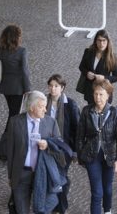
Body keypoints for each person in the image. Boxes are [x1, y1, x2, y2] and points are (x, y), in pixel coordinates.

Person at [6, 90, 61, 214]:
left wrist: (47, 144)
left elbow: (59, 144)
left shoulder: (50, 122)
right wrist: (10, 175)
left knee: (41, 209)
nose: (45, 110)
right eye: (41, 107)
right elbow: (11, 151)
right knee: (21, 210)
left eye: (45, 107)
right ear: (31, 108)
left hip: (42, 173)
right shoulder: (15, 122)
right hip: (21, 174)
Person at [76, 79, 117, 214]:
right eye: (95, 94)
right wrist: (81, 156)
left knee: (107, 189)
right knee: (97, 192)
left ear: (108, 95)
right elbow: (80, 136)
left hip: (109, 155)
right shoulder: (86, 111)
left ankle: (107, 210)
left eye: (101, 94)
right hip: (92, 156)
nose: (98, 98)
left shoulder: (115, 112)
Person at [46, 74, 80, 213]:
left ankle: (61, 207)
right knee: (51, 175)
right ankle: (53, 204)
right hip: (47, 146)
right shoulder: (44, 102)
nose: (53, 89)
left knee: (61, 177)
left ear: (62, 88)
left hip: (64, 148)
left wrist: (75, 151)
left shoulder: (70, 104)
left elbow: (77, 129)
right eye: (51, 86)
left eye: (56, 86)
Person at [0, 24, 31, 130]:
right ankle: (8, 136)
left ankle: (11, 135)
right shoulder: (22, 51)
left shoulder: (0, 50)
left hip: (6, 86)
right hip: (18, 88)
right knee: (15, 113)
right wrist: (27, 89)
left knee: (12, 111)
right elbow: (24, 71)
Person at [77, 29, 117, 106]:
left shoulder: (112, 57)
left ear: (108, 42)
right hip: (90, 90)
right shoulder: (88, 52)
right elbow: (81, 67)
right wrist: (87, 73)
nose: (101, 43)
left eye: (104, 41)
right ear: (95, 41)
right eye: (99, 40)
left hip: (104, 91)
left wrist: (104, 78)